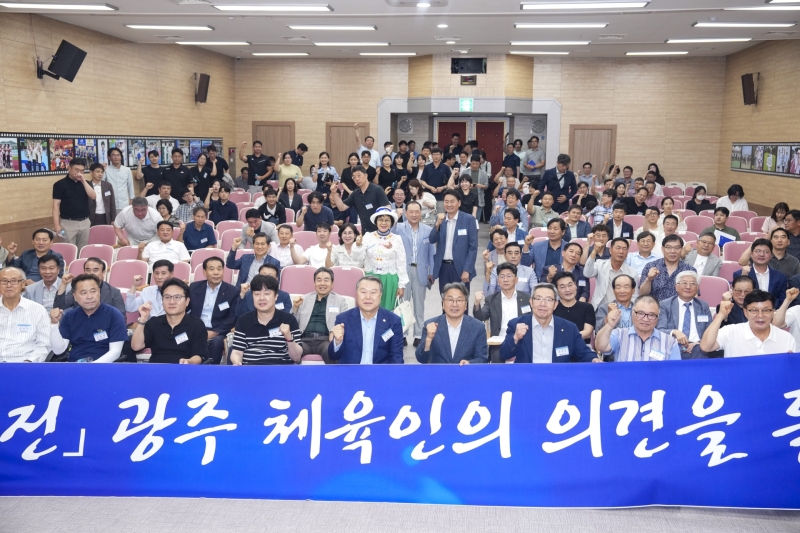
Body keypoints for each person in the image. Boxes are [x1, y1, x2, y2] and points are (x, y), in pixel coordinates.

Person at [500, 283, 598, 363]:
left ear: (555, 304)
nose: (543, 304)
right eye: (538, 299)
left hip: (558, 378)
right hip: (528, 378)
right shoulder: (516, 324)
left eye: (548, 299)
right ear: (531, 302)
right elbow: (504, 354)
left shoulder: (569, 328)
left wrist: (594, 359)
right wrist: (515, 338)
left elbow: (584, 353)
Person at [48, 274, 127, 363]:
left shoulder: (114, 315)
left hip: (105, 366)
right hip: (75, 365)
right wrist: (54, 324)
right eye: (83, 293)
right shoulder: (69, 316)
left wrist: (91, 367)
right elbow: (58, 350)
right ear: (75, 297)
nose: (89, 297)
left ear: (99, 292)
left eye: (93, 291)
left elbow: (115, 352)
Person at [328, 276, 404, 364]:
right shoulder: (343, 319)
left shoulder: (393, 321)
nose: (368, 297)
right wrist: (337, 342)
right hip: (352, 372)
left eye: (373, 292)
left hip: (380, 372)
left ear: (380, 295)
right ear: (356, 294)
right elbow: (333, 356)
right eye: (363, 292)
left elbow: (397, 357)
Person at [131, 278, 208, 364]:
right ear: (162, 300)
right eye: (167, 297)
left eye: (177, 297)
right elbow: (136, 346)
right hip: (157, 369)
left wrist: (188, 362)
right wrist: (143, 319)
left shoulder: (196, 325)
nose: (172, 302)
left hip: (183, 369)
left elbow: (199, 356)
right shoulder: (154, 323)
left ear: (187, 301)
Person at [701, 290, 796, 357]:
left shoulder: (786, 338)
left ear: (773, 312)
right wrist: (721, 315)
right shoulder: (730, 332)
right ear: (745, 312)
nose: (760, 315)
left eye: (766, 310)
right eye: (754, 310)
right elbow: (706, 347)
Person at [392, 203, 434, 346]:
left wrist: (431, 272)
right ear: (405, 213)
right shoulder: (398, 228)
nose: (414, 215)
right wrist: (395, 218)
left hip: (421, 271)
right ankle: (402, 334)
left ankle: (418, 334)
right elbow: (389, 234)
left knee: (419, 305)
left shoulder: (428, 230)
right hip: (403, 271)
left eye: (417, 212)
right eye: (411, 212)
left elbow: (432, 253)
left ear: (421, 212)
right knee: (402, 304)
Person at [416, 283, 488, 365]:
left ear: (466, 305)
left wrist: (469, 363)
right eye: (450, 300)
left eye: (459, 300)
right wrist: (428, 340)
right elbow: (421, 359)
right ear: (443, 303)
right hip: (439, 373)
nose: (454, 304)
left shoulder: (477, 327)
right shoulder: (431, 325)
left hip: (465, 372)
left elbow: (483, 359)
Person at [473, 263, 531, 363]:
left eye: (509, 276)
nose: (505, 280)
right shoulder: (491, 299)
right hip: (499, 342)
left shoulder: (527, 298)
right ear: (498, 281)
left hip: (522, 340)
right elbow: (481, 317)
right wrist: (477, 304)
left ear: (516, 280)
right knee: (497, 358)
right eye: (502, 276)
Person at [596, 295, 681, 361]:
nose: (645, 319)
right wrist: (609, 325)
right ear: (632, 313)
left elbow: (675, 371)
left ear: (658, 316)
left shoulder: (670, 342)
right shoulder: (619, 334)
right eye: (640, 313)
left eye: (651, 315)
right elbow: (601, 347)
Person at [291, 267, 349, 363]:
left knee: (331, 352)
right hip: (304, 340)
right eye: (319, 280)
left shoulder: (339, 300)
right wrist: (295, 308)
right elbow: (293, 324)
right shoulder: (304, 299)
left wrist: (333, 332)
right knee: (291, 353)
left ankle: (335, 373)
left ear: (332, 284)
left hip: (325, 340)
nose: (322, 283)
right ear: (314, 283)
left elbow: (344, 322)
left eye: (326, 280)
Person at [187, 256, 238, 365]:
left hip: (218, 331)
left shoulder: (232, 291)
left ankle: (211, 369)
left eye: (219, 269)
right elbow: (185, 309)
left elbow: (232, 317)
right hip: (196, 328)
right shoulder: (194, 287)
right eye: (211, 269)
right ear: (204, 272)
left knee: (216, 342)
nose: (216, 272)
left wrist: (215, 332)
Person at [430, 189, 478, 293]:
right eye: (446, 201)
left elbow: (473, 248)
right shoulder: (440, 219)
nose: (449, 204)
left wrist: (467, 270)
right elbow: (432, 239)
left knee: (461, 299)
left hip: (461, 268)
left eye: (452, 201)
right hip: (443, 268)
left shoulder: (468, 219)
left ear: (459, 203)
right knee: (445, 298)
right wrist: (437, 224)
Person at [656, 271, 713, 359]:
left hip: (697, 347)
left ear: (697, 288)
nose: (688, 287)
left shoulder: (703, 306)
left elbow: (710, 331)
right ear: (676, 286)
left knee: (701, 352)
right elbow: (660, 329)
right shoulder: (665, 305)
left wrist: (699, 343)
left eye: (692, 283)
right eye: (684, 283)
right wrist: (675, 332)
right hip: (673, 345)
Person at [360, 207, 408, 309]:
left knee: (387, 310)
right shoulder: (368, 237)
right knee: (370, 309)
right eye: (381, 220)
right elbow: (359, 257)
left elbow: (401, 262)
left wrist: (401, 285)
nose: (383, 223)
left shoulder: (397, 239)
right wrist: (358, 245)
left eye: (387, 220)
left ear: (391, 222)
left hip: (389, 279)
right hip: (370, 278)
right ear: (376, 222)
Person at [0, 266, 51, 362]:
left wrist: (28, 362)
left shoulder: (37, 310)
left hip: (24, 364)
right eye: (4, 281)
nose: (9, 285)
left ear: (23, 284)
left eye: (14, 281)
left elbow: (44, 345)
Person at [328, 165, 390, 233]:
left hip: (379, 232)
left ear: (366, 175)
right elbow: (342, 207)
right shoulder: (355, 193)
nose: (357, 179)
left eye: (359, 175)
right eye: (354, 177)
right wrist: (334, 193)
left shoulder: (377, 190)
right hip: (365, 232)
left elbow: (387, 208)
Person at [54, 257, 125, 316]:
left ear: (103, 273)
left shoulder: (114, 292)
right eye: (88, 270)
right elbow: (59, 307)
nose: (91, 273)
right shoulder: (78, 289)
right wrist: (63, 285)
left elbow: (121, 316)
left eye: (95, 270)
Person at [51, 158, 94, 250]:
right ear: (69, 168)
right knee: (69, 250)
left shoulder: (86, 183)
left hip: (85, 221)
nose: (79, 173)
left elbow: (93, 196)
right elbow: (55, 206)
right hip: (68, 223)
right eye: (76, 170)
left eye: (82, 171)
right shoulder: (59, 185)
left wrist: (83, 181)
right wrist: (56, 224)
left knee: (83, 250)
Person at [639, 234, 697, 301]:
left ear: (681, 249)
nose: (672, 251)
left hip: (678, 307)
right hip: (654, 306)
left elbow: (694, 295)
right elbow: (642, 294)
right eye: (668, 247)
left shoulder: (689, 270)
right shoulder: (650, 266)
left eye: (677, 248)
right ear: (662, 249)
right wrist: (649, 279)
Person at [585, 237, 638, 309]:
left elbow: (634, 296)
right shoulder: (600, 264)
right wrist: (594, 251)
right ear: (610, 251)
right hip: (600, 309)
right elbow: (587, 273)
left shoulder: (632, 272)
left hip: (621, 310)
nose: (621, 251)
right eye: (618, 248)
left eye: (624, 249)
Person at [734, 238, 788, 308]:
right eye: (758, 251)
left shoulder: (781, 277)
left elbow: (782, 301)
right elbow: (737, 298)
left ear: (771, 255)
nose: (761, 254)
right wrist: (744, 276)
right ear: (751, 254)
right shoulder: (740, 274)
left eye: (766, 252)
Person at [551, 271, 595, 344]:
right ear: (556, 290)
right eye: (562, 287)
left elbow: (587, 332)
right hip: (559, 346)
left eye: (570, 285)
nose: (568, 290)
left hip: (582, 346)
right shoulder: (552, 307)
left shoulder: (587, 307)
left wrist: (566, 337)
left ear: (575, 285)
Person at [420, 148, 453, 213]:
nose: (436, 156)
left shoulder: (446, 168)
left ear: (441, 156)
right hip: (428, 196)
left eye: (438, 154)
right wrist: (430, 187)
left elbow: (451, 182)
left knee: (441, 215)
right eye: (434, 154)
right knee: (428, 215)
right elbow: (422, 181)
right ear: (431, 156)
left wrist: (443, 187)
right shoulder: (427, 167)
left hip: (441, 196)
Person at [103, 146, 135, 212]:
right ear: (109, 157)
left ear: (121, 157)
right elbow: (102, 183)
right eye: (113, 155)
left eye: (118, 155)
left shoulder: (127, 170)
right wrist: (102, 169)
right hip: (111, 201)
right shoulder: (106, 170)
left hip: (124, 202)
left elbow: (130, 185)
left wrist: (132, 198)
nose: (116, 157)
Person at [87, 161, 117, 226]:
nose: (100, 174)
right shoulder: (87, 186)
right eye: (97, 172)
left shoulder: (108, 185)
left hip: (106, 216)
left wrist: (113, 219)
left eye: (102, 172)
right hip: (92, 216)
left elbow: (112, 203)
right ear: (91, 172)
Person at [462, 154, 490, 221]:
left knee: (476, 220)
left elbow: (486, 185)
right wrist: (467, 186)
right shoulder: (465, 172)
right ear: (470, 163)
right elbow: (460, 184)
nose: (475, 165)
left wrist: (481, 186)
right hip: (466, 197)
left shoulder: (483, 173)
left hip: (478, 197)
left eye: (477, 164)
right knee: (465, 219)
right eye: (473, 164)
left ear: (479, 163)